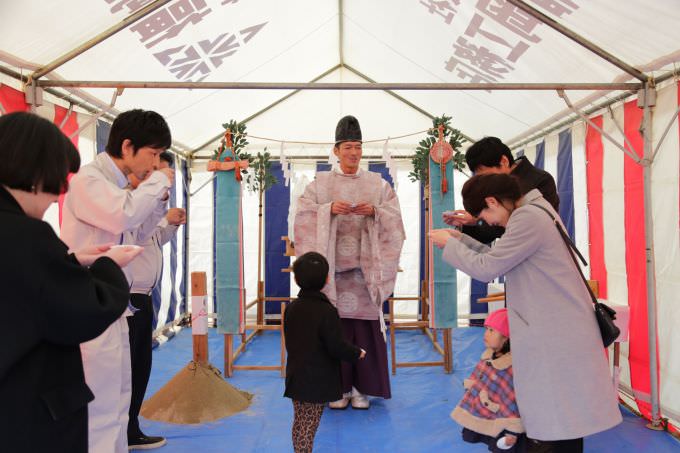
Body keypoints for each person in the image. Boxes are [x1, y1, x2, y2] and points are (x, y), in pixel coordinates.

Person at [430, 174, 622, 452]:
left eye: (484, 213)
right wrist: (460, 240)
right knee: (560, 417)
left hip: (556, 332)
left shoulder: (527, 218)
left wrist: (451, 245)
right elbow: (497, 256)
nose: (488, 221)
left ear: (491, 200)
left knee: (558, 419)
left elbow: (487, 268)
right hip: (556, 328)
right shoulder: (532, 212)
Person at [0, 112, 142, 453]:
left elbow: (21, 284)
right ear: (35, 173)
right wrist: (109, 266)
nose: (55, 197)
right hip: (25, 410)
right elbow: (84, 309)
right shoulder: (26, 236)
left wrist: (71, 260)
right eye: (55, 182)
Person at [61, 109, 175, 453]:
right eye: (153, 154)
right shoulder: (89, 180)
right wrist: (159, 182)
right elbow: (120, 214)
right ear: (127, 147)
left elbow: (137, 230)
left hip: (115, 303)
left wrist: (158, 201)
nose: (155, 164)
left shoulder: (119, 185)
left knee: (118, 399)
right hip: (89, 306)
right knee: (99, 405)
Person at [294, 115, 405, 410]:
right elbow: (303, 215)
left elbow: (395, 219)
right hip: (333, 273)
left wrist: (375, 212)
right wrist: (328, 210)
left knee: (364, 328)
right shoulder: (321, 183)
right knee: (334, 330)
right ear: (336, 151)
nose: (354, 153)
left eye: (357, 147)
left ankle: (361, 388)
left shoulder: (377, 183)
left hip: (364, 271)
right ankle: (337, 387)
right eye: (347, 148)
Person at [124, 151, 185, 450]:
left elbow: (154, 239)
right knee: (129, 368)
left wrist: (170, 224)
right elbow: (132, 237)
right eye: (159, 172)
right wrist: (164, 218)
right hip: (128, 296)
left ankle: (130, 425)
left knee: (141, 365)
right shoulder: (128, 202)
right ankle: (125, 428)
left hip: (143, 295)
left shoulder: (147, 206)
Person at [284, 252, 366, 453]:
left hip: (296, 376)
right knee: (308, 426)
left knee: (301, 422)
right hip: (316, 380)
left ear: (296, 279)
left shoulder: (292, 308)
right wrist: (356, 353)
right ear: (327, 279)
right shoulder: (326, 311)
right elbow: (335, 345)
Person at [443, 136, 558, 244]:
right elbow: (487, 233)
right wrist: (467, 223)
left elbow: (530, 226)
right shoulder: (493, 186)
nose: (485, 181)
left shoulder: (541, 180)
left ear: (504, 161)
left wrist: (478, 220)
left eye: (486, 175)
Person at [451, 308, 526, 453]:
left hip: (503, 416)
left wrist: (512, 431)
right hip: (485, 406)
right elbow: (478, 376)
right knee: (479, 435)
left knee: (502, 444)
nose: (485, 334)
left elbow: (511, 400)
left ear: (506, 338)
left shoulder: (511, 368)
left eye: (492, 331)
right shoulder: (489, 355)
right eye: (486, 329)